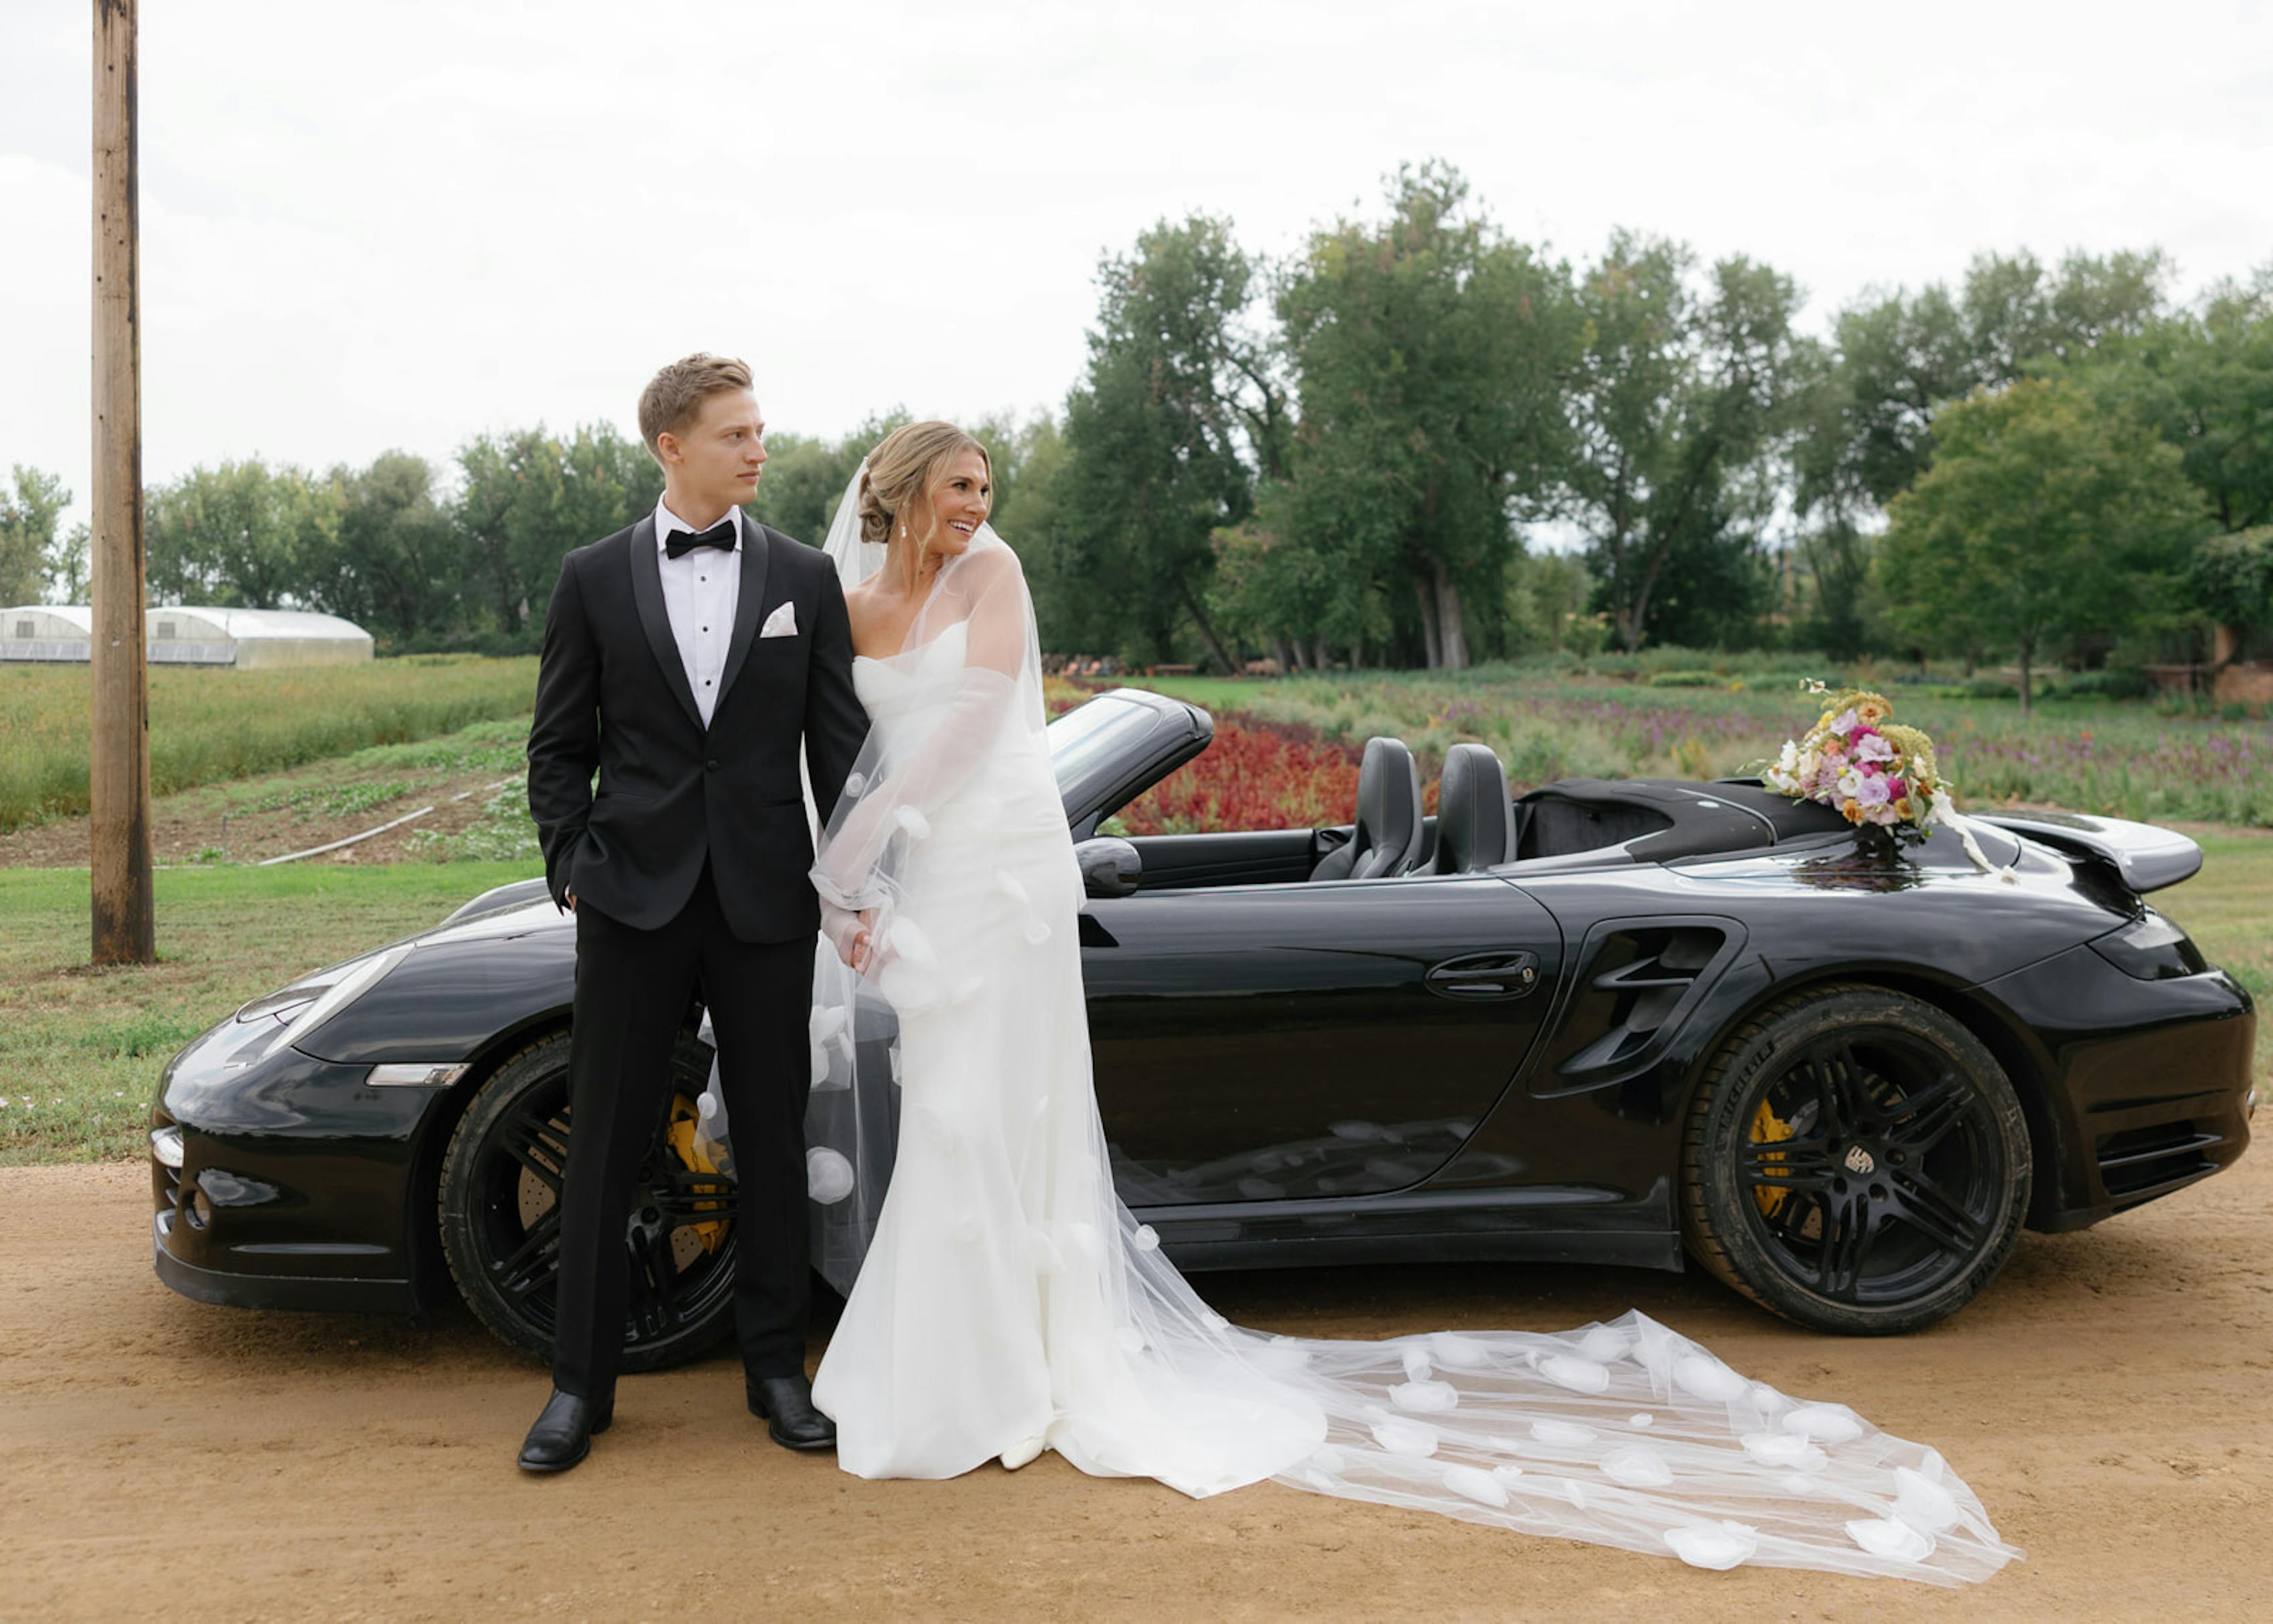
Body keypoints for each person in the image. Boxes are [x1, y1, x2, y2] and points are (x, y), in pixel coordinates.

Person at [777, 419, 2021, 1583]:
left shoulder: (992, 574)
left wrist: (879, 822)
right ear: (901, 496)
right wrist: (849, 861)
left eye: (988, 488)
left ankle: (1004, 1373)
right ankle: (954, 1363)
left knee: (996, 1114)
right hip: (929, 879)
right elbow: (823, 729)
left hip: (999, 867)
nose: (981, 507)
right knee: (948, 1113)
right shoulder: (849, 594)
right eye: (961, 488)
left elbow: (983, 715)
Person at [518, 354, 868, 1473]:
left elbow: (840, 747)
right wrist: (572, 859)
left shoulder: (806, 578)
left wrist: (853, 875)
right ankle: (580, 1387)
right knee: (608, 1144)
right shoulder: (590, 577)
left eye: (761, 429)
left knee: (769, 1140)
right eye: (736, 433)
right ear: (673, 446)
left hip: (768, 899)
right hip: (631, 899)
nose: (758, 448)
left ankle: (777, 1372)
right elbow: (558, 747)